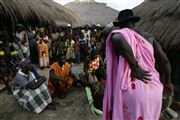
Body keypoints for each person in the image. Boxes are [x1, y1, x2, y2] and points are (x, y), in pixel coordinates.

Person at [103, 9, 174, 120]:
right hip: (154, 88)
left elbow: (117, 39)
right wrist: (169, 83)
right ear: (134, 22)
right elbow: (165, 61)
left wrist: (135, 66)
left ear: (120, 25)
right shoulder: (149, 37)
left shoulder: (120, 34)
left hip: (133, 90)